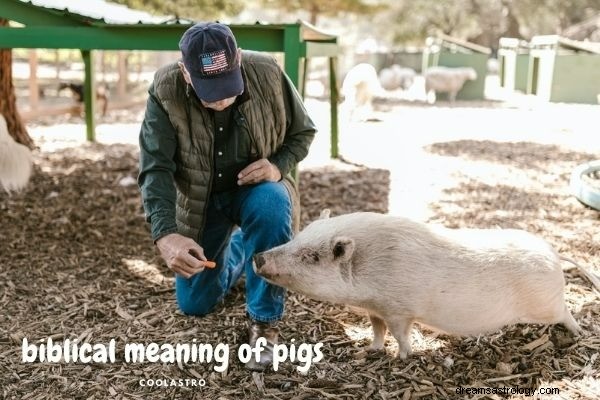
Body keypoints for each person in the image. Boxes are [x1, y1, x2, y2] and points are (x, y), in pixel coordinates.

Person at [137, 22, 316, 371]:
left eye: (228, 87)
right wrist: (166, 235)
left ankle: (264, 322)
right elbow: (155, 168)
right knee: (194, 304)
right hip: (201, 202)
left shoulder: (265, 70)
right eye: (210, 90)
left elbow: (303, 132)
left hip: (256, 191)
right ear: (185, 72)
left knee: (272, 204)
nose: (221, 99)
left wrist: (278, 166)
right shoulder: (164, 88)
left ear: (237, 61)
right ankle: (240, 250)